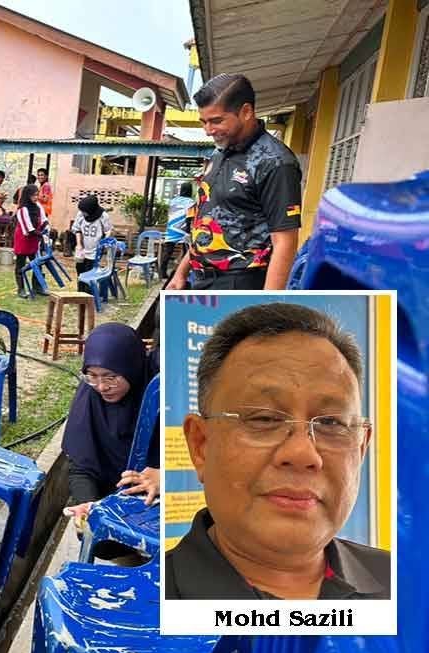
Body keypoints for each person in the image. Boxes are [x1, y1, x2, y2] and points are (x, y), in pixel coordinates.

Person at [165, 303, 389, 600]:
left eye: (330, 422)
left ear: (360, 449)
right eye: (264, 419)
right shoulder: (140, 616)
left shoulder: (408, 587)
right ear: (201, 445)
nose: (303, 454)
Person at [167, 74, 302, 291]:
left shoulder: (276, 163)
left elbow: (285, 242)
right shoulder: (220, 152)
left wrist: (267, 306)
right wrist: (182, 271)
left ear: (246, 112)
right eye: (204, 122)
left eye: (216, 120)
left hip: (241, 282)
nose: (208, 130)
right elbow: (206, 216)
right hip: (200, 277)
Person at [62, 324, 160, 528]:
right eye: (92, 376)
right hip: (116, 497)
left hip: (167, 496)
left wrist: (167, 476)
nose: (101, 387)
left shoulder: (162, 393)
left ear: (132, 367)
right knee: (100, 533)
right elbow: (81, 465)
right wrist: (87, 503)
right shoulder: (90, 398)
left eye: (111, 377)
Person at [71, 194, 113, 292]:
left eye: (85, 212)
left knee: (89, 271)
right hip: (82, 249)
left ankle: (88, 294)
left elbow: (108, 231)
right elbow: (77, 229)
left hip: (95, 250)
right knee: (80, 270)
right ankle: (80, 292)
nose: (83, 213)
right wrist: (79, 245)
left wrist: (102, 244)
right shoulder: (80, 214)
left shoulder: (103, 216)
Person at [13, 184, 47, 299]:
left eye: (37, 195)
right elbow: (28, 228)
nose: (36, 197)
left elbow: (44, 220)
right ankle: (21, 289)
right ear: (28, 196)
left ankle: (37, 287)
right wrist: (40, 234)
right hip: (24, 239)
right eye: (34, 195)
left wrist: (46, 229)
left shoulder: (38, 206)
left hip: (34, 239)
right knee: (20, 265)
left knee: (37, 263)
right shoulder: (22, 209)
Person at [160, 182, 196, 280]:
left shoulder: (173, 201)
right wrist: (188, 232)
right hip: (183, 229)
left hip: (171, 228)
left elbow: (170, 214)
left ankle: (162, 272)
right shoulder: (191, 202)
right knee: (185, 253)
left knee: (168, 252)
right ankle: (183, 274)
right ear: (190, 190)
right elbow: (189, 217)